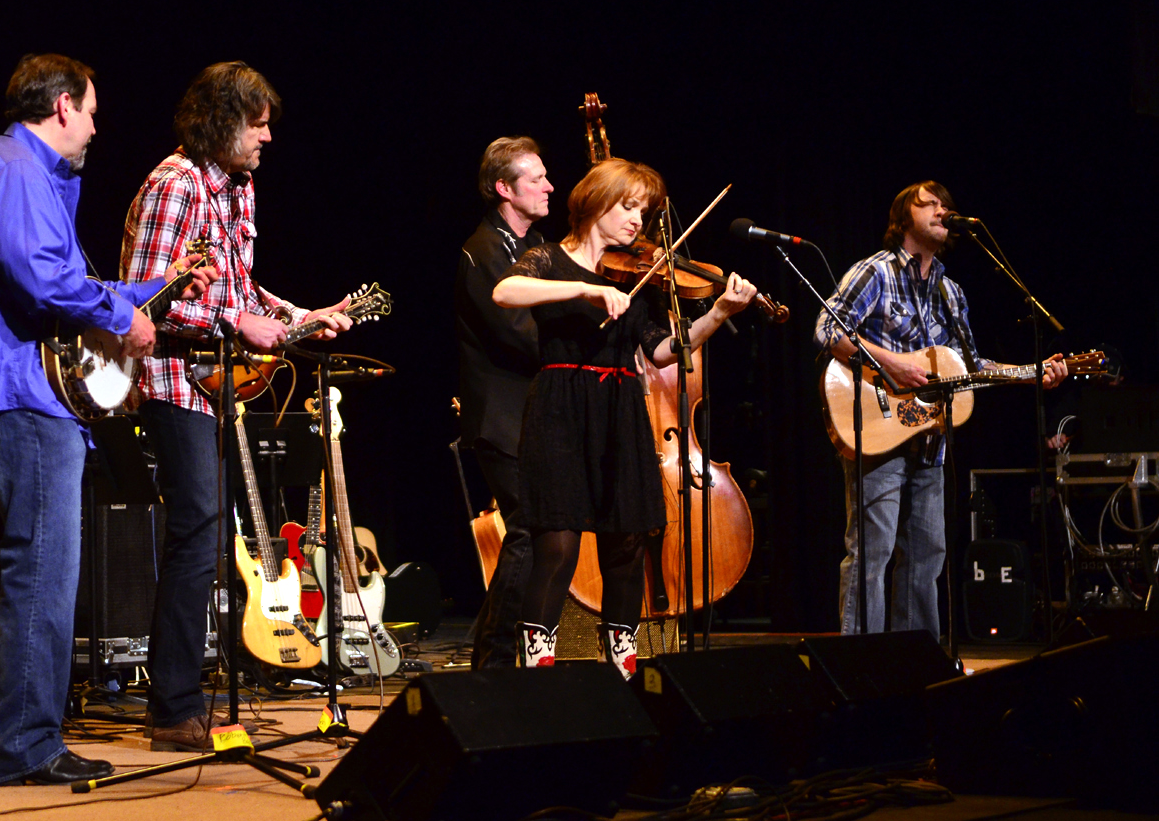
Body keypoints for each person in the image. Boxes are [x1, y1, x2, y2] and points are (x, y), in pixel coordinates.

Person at [0, 54, 215, 785]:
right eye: (91, 110)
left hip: (36, 398)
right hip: (19, 396)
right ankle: (25, 748)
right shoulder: (8, 170)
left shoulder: (35, 180)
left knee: (48, 570)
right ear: (62, 105)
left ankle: (32, 740)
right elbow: (39, 280)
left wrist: (165, 284)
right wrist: (122, 313)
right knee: (41, 570)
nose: (96, 125)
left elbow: (74, 282)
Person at [121, 61, 350, 752]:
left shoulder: (237, 190)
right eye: (258, 124)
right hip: (169, 378)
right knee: (197, 531)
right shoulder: (175, 183)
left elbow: (242, 291)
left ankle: (192, 696)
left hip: (211, 383)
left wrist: (303, 314)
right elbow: (144, 296)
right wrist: (233, 322)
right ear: (223, 123)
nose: (268, 137)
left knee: (211, 537)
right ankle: (171, 708)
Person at [493, 158, 756, 677]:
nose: (638, 219)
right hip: (561, 407)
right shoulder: (548, 258)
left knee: (626, 543)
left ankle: (622, 668)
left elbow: (661, 352)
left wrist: (720, 313)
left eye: (644, 209)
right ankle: (538, 670)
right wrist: (587, 289)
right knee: (559, 541)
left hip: (619, 409)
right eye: (628, 206)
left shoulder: (631, 273)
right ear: (596, 203)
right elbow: (506, 292)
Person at [814, 181, 1066, 636]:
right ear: (901, 217)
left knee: (928, 556)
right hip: (878, 429)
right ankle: (859, 663)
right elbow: (827, 331)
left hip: (932, 442)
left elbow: (969, 368)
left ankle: (915, 664)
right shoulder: (877, 273)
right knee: (872, 554)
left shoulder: (951, 292)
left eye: (945, 204)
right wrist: (891, 365)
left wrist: (1031, 370)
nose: (941, 209)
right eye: (927, 203)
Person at [455, 136, 554, 670]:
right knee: (525, 533)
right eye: (536, 178)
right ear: (504, 188)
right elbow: (522, 333)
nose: (548, 186)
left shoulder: (535, 246)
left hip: (532, 414)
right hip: (501, 417)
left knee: (536, 534)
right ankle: (492, 663)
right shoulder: (485, 251)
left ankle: (502, 657)